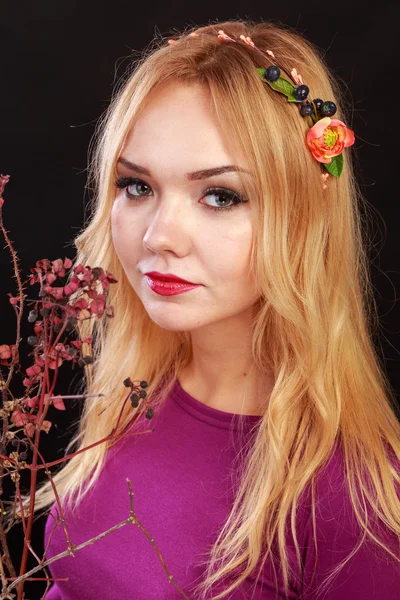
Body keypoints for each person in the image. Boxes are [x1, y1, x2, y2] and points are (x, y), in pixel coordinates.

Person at [18, 19, 400, 599]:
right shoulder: (132, 390)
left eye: (220, 196)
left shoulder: (351, 496)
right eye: (137, 186)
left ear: (302, 218)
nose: (159, 237)